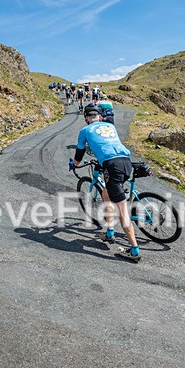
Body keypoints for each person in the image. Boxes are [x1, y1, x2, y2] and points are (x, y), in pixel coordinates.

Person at [70, 104, 141, 262]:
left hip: (112, 165)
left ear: (86, 119)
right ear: (100, 117)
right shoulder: (110, 126)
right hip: (125, 162)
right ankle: (109, 232)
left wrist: (73, 165)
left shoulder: (85, 130)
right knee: (106, 193)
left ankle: (134, 250)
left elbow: (79, 154)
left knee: (122, 210)